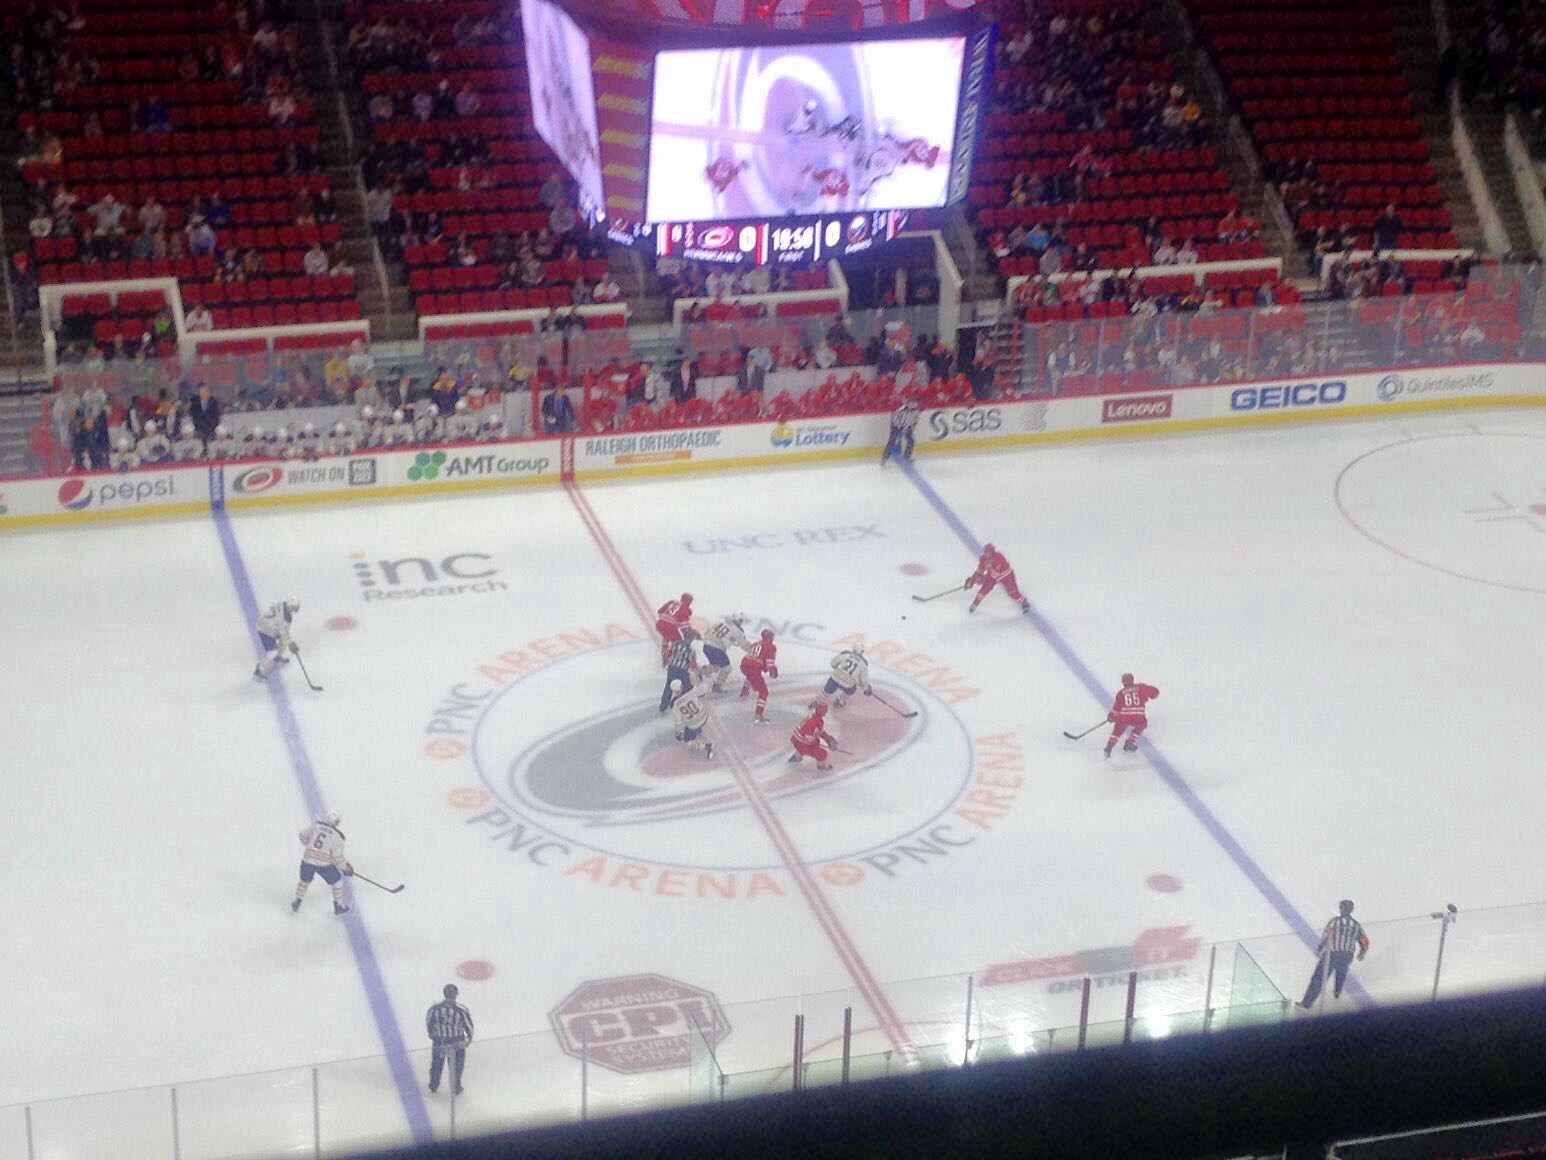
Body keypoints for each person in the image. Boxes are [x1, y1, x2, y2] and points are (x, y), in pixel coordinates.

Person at [1297, 900, 1370, 1009]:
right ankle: (1337, 991)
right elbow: (1365, 941)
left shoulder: (1335, 921)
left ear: (1341, 909)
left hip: (1332, 954)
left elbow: (1326, 935)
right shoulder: (1356, 925)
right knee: (1341, 972)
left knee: (1319, 978)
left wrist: (1320, 948)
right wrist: (1362, 952)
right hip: (1347, 955)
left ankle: (1306, 1004)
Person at [292, 810, 352, 915]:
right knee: (337, 882)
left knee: (304, 880)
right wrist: (345, 868)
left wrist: (309, 848)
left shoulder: (316, 827)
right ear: (337, 823)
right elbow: (338, 857)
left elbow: (302, 835)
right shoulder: (337, 837)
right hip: (324, 864)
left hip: (307, 860)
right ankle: (338, 906)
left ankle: (297, 900)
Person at [426, 984, 473, 1095]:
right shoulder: (461, 1010)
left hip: (440, 1041)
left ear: (444, 994)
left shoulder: (435, 1008)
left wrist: (432, 1034)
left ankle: (433, 1085)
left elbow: (429, 1023)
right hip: (457, 1042)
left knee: (437, 1064)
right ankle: (455, 1087)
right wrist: (468, 1039)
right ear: (456, 995)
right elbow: (469, 1026)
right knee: (457, 1066)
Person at [1105, 672, 1160, 758]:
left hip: (1125, 715)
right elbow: (1155, 692)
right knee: (1141, 724)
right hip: (1138, 715)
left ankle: (1109, 746)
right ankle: (1130, 743)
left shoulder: (1120, 693)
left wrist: (1112, 716)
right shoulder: (1141, 687)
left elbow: (1116, 709)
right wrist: (1151, 696)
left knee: (1118, 729)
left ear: (1123, 682)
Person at [966, 543, 1030, 614]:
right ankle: (975, 603)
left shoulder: (999, 557)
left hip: (1006, 576)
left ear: (993, 552)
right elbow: (979, 571)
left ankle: (1024, 602)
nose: (986, 554)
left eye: (988, 552)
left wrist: (981, 580)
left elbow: (996, 573)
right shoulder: (983, 559)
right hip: (992, 576)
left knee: (1012, 593)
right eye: (985, 552)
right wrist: (972, 580)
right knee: (984, 589)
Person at [253, 597, 302, 682]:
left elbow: (284, 633)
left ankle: (277, 657)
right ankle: (258, 671)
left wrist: (290, 642)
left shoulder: (283, 608)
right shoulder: (283, 617)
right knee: (273, 652)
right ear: (291, 606)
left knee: (283, 643)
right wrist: (291, 643)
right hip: (265, 630)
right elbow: (283, 632)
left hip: (268, 627)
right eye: (294, 607)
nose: (295, 610)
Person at [670, 675, 715, 761]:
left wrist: (678, 733)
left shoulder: (675, 705)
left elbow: (678, 723)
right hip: (704, 716)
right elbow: (704, 688)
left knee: (688, 741)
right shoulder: (691, 691)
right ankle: (699, 730)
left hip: (693, 725)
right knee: (698, 720)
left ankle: (708, 746)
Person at [701, 613, 748, 693]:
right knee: (727, 667)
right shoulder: (738, 631)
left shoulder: (720, 622)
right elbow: (744, 645)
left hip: (706, 646)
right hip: (716, 648)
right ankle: (717, 685)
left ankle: (700, 673)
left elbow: (707, 631)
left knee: (717, 666)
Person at [816, 645, 871, 711]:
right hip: (848, 683)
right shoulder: (863, 663)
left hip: (835, 678)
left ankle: (818, 701)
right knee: (851, 689)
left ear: (853, 649)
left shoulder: (845, 654)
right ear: (862, 652)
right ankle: (839, 702)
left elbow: (833, 663)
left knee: (828, 690)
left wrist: (840, 670)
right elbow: (863, 680)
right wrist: (866, 688)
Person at [787, 702, 837, 774]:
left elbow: (818, 731)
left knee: (812, 743)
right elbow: (809, 739)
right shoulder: (815, 722)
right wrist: (826, 742)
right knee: (822, 753)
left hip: (796, 739)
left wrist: (828, 739)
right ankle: (821, 766)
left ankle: (796, 757)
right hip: (801, 742)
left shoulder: (812, 716)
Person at [660, 631, 698, 714]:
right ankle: (678, 704)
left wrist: (665, 662)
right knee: (687, 689)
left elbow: (667, 654)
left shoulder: (675, 644)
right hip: (682, 671)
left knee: (668, 688)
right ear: (692, 638)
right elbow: (693, 665)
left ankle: (663, 707)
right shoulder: (691, 650)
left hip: (672, 668)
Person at [655, 592, 694, 665]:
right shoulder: (687, 609)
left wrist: (666, 620)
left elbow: (659, 612)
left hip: (659, 624)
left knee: (666, 636)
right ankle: (673, 657)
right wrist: (690, 631)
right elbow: (684, 625)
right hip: (670, 627)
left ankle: (665, 654)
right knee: (678, 641)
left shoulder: (672, 602)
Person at [882, 399, 920, 465]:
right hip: (897, 427)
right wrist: (899, 427)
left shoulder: (916, 412)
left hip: (907, 427)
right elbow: (894, 419)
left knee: (911, 441)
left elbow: (915, 421)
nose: (914, 405)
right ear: (908, 404)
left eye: (915, 404)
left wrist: (909, 428)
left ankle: (906, 457)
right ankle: (885, 458)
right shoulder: (900, 410)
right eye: (912, 403)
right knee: (892, 441)